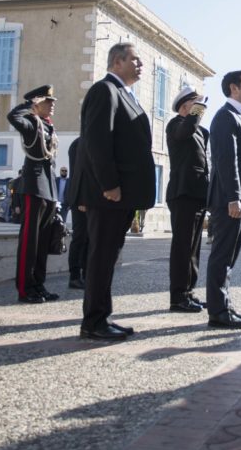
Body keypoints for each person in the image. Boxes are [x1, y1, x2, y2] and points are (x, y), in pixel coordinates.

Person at [66, 43, 155, 341]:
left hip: (123, 196)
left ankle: (102, 316)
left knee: (107, 258)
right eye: (135, 60)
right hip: (108, 195)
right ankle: (93, 321)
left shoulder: (125, 94)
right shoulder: (104, 91)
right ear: (117, 62)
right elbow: (96, 142)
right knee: (101, 257)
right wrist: (109, 185)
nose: (141, 65)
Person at [205, 70, 241, 329]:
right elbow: (225, 162)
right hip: (230, 201)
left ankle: (224, 305)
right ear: (233, 88)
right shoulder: (225, 118)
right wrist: (234, 198)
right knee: (222, 256)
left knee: (230, 258)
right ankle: (217, 312)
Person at [8, 85, 60, 304]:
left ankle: (38, 284)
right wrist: (30, 104)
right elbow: (12, 116)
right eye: (48, 102)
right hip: (34, 184)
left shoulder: (48, 127)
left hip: (47, 185)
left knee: (43, 241)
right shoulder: (31, 123)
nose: (52, 105)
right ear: (38, 104)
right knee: (30, 240)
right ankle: (25, 287)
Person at [165, 85, 210, 313]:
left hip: (197, 194)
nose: (201, 111)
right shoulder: (175, 125)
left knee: (193, 248)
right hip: (182, 193)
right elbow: (185, 132)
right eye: (196, 106)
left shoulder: (201, 132)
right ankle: (178, 296)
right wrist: (196, 112)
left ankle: (189, 292)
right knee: (182, 247)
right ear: (185, 107)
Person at [65, 138, 87, 290]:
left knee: (89, 239)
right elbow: (78, 173)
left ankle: (86, 275)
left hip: (88, 199)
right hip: (81, 199)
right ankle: (74, 276)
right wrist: (82, 199)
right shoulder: (79, 144)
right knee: (80, 238)